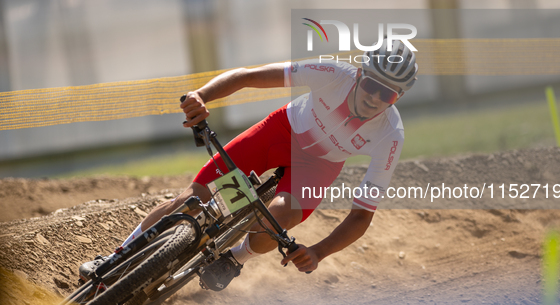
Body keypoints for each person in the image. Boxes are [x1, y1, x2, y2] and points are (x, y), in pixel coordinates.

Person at [79, 41, 418, 291]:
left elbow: (361, 216)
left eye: (386, 95)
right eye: (372, 85)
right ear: (359, 74)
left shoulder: (391, 135)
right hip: (280, 133)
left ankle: (235, 258)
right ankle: (114, 258)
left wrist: (318, 252)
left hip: (317, 166)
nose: (375, 98)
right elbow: (246, 77)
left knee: (276, 219)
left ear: (397, 98)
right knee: (191, 200)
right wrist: (202, 96)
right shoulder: (330, 73)